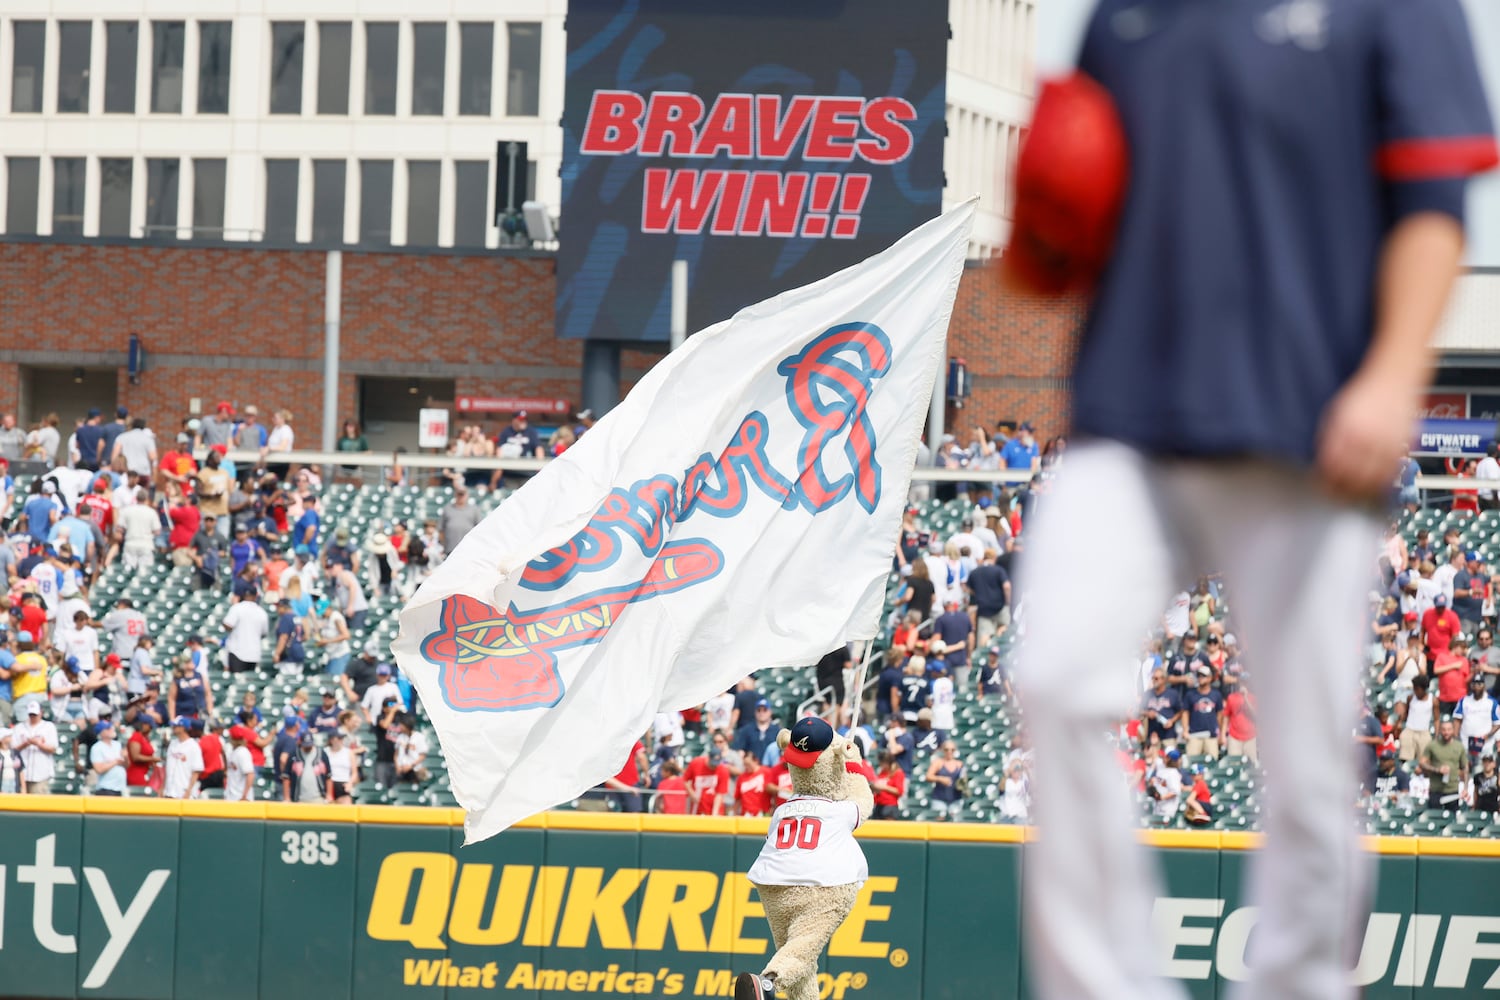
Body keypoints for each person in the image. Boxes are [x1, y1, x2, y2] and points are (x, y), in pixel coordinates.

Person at [1421, 717, 1468, 812]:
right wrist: (1437, 770)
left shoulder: (1459, 746)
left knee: (1452, 819)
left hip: (1452, 789)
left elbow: (1465, 768)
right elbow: (1422, 763)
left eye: (1449, 729)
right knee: (1435, 818)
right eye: (1444, 730)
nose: (1446, 732)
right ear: (1440, 730)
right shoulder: (1432, 745)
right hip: (1436, 790)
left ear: (1453, 730)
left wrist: (1465, 788)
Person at [1455, 675, 1500, 769]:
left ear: (1484, 685)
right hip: (1466, 743)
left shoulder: (1492, 702)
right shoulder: (1464, 701)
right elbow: (1457, 720)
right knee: (1464, 770)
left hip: (1484, 745)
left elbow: (1497, 723)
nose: (1477, 686)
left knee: (1481, 771)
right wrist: (1456, 737)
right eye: (1474, 684)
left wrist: (1487, 735)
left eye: (1479, 684)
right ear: (1471, 685)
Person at [13, 701, 58, 793]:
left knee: (38, 805)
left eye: (35, 714)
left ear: (41, 712)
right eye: (31, 714)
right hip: (22, 774)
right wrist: (27, 743)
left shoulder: (49, 726)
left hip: (41, 773)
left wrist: (38, 744)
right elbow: (13, 749)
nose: (33, 716)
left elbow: (53, 748)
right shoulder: (19, 727)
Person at [222, 588, 269, 674]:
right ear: (256, 596)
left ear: (244, 595)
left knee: (237, 681)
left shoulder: (237, 608)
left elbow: (227, 625)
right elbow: (264, 633)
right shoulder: (261, 612)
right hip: (254, 653)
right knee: (249, 681)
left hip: (237, 652)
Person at [161, 717, 203, 799]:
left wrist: (188, 791)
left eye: (175, 726)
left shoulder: (193, 746)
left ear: (183, 728)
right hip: (169, 792)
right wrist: (162, 787)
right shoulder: (172, 744)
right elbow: (168, 769)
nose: (173, 728)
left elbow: (196, 772)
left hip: (183, 793)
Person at [925, 740, 965, 820]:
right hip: (939, 798)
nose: (949, 752)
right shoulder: (938, 762)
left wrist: (962, 785)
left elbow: (964, 781)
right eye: (947, 750)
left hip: (955, 798)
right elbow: (928, 776)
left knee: (955, 822)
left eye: (952, 750)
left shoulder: (959, 764)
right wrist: (940, 779)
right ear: (943, 750)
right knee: (939, 822)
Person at [870, 751, 907, 819]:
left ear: (887, 762)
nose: (880, 765)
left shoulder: (898, 773)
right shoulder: (882, 772)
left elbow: (899, 791)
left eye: (882, 763)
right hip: (879, 804)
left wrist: (884, 787)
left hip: (890, 806)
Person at [224, 725, 257, 802]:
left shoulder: (243, 752)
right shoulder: (234, 752)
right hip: (233, 797)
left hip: (240, 798)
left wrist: (244, 796)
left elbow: (250, 774)